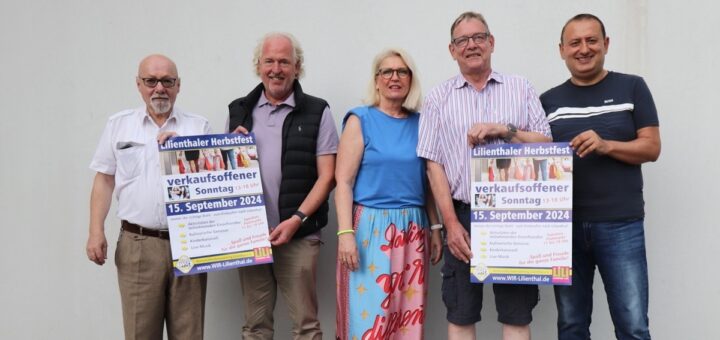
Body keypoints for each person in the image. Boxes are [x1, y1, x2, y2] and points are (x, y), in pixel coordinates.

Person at [417, 11, 552, 340]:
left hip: (515, 214)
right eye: (462, 40)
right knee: (461, 312)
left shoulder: (520, 88)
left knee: (516, 313)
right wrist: (449, 223)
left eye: (478, 37)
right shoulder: (437, 98)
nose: (471, 45)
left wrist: (503, 130)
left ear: (491, 43)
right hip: (460, 214)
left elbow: (547, 143)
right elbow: (432, 164)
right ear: (452, 50)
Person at [540, 14, 661, 340]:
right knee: (571, 325)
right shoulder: (548, 101)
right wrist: (502, 133)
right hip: (562, 229)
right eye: (575, 42)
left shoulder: (632, 87)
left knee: (633, 326)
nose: (584, 49)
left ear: (606, 44)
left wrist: (606, 145)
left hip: (621, 224)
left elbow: (652, 148)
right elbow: (535, 152)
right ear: (561, 50)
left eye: (591, 40)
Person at [85, 54, 210, 340]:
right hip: (138, 244)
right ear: (138, 84)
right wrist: (95, 231)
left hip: (189, 244)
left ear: (178, 85)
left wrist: (187, 151)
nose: (159, 88)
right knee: (140, 334)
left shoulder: (198, 127)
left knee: (189, 335)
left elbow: (214, 184)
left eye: (167, 81)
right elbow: (104, 179)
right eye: (151, 81)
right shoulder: (119, 125)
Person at [227, 32, 338, 340]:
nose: (276, 69)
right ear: (258, 66)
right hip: (251, 236)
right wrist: (229, 151)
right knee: (255, 327)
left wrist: (297, 220)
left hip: (299, 233)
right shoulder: (238, 110)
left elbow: (328, 176)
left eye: (284, 62)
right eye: (269, 61)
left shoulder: (318, 111)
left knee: (305, 326)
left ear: (297, 67)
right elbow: (222, 178)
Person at [334, 49, 443, 340]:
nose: (395, 77)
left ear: (411, 79)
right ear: (377, 80)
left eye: (402, 71)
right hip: (370, 229)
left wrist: (434, 227)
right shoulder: (361, 119)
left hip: (413, 229)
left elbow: (427, 182)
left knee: (406, 317)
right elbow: (343, 182)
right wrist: (345, 233)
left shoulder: (422, 123)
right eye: (387, 71)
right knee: (370, 318)